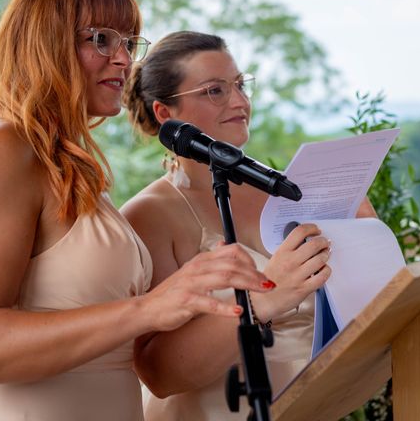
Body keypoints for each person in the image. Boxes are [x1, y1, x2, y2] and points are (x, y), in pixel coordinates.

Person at [0, 0, 277, 421]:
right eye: (100, 39)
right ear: (44, 43)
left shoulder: (74, 169)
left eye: (129, 43)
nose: (123, 59)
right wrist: (148, 309)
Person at [122, 30, 377, 420]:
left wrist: (365, 246)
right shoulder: (149, 215)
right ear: (164, 114)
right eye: (214, 91)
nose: (240, 102)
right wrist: (265, 299)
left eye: (240, 85)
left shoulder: (290, 188)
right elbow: (158, 373)